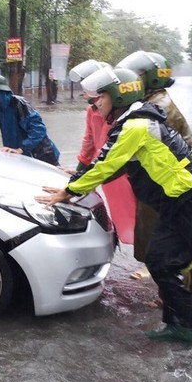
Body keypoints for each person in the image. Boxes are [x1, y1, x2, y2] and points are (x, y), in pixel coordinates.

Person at [37, 67, 192, 343]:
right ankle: (181, 326)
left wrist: (69, 192)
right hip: (175, 203)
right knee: (160, 262)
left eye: (99, 97)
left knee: (171, 263)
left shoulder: (135, 127)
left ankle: (186, 325)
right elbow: (109, 166)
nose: (94, 103)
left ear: (116, 96)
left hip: (189, 200)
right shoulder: (133, 122)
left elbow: (106, 165)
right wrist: (74, 181)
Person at [117, 51, 192, 289]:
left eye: (136, 77)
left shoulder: (158, 107)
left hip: (174, 187)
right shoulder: (152, 103)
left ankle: (181, 298)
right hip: (166, 184)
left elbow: (126, 153)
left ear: (149, 78)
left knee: (172, 243)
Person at [68, 60, 136, 246]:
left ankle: (146, 257)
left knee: (137, 214)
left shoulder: (120, 111)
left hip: (122, 171)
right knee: (119, 214)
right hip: (103, 170)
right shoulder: (92, 111)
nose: (84, 93)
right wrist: (80, 170)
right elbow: (89, 142)